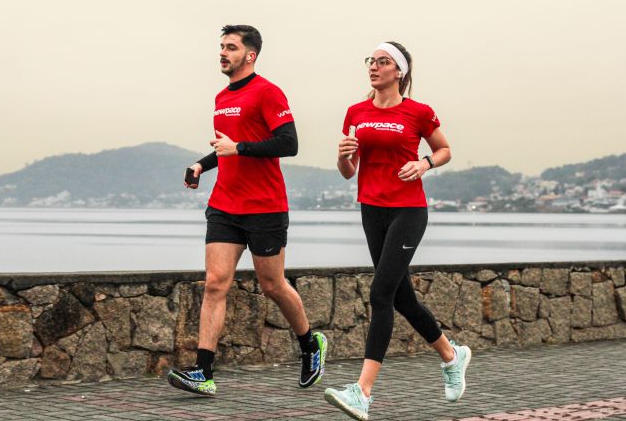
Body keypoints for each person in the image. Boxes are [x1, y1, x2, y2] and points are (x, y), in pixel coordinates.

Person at [167, 25, 327, 396]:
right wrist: (201, 165)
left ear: (250, 55)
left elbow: (289, 144)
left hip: (265, 206)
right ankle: (203, 373)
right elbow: (228, 147)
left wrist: (237, 149)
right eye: (221, 47)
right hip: (225, 204)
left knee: (272, 285)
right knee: (214, 283)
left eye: (231, 47)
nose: (222, 53)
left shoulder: (268, 93)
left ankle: (309, 344)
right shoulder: (222, 97)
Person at [324, 42, 471, 420]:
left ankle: (363, 391)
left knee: (380, 293)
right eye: (371, 60)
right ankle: (452, 356)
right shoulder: (355, 112)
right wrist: (342, 155)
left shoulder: (418, 112)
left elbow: (444, 150)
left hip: (408, 211)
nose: (374, 66)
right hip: (372, 210)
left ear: (399, 71)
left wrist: (424, 164)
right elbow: (348, 171)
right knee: (403, 299)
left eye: (383, 61)